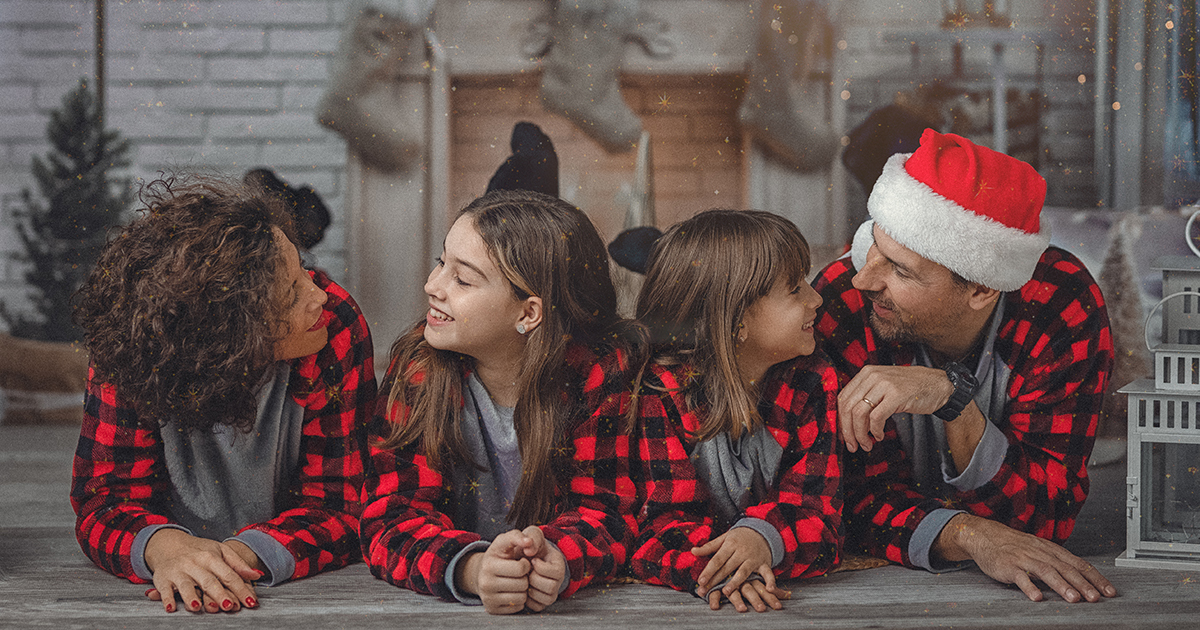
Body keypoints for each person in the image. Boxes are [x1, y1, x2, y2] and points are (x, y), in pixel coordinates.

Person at [812, 129, 1117, 603]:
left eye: (900, 269)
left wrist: (954, 403)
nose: (862, 276)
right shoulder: (842, 302)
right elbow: (844, 502)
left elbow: (1046, 516)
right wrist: (971, 535)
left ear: (982, 290)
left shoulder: (1061, 303)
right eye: (874, 243)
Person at [71, 176, 376, 613]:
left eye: (303, 268)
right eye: (291, 293)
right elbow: (104, 500)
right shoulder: (131, 348)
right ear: (228, 336)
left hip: (274, 571)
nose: (319, 294)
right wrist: (166, 548)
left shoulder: (334, 324)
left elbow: (341, 503)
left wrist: (236, 558)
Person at [359, 189, 641, 614]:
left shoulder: (600, 373)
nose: (432, 285)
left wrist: (558, 560)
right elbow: (389, 516)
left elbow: (610, 510)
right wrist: (472, 569)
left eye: (463, 279)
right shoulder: (419, 365)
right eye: (441, 262)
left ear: (528, 314)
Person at [628, 209, 841, 613]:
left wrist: (762, 539)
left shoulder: (813, 381)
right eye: (795, 289)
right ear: (736, 321)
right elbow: (657, 527)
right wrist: (720, 570)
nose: (816, 298)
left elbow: (820, 513)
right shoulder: (662, 391)